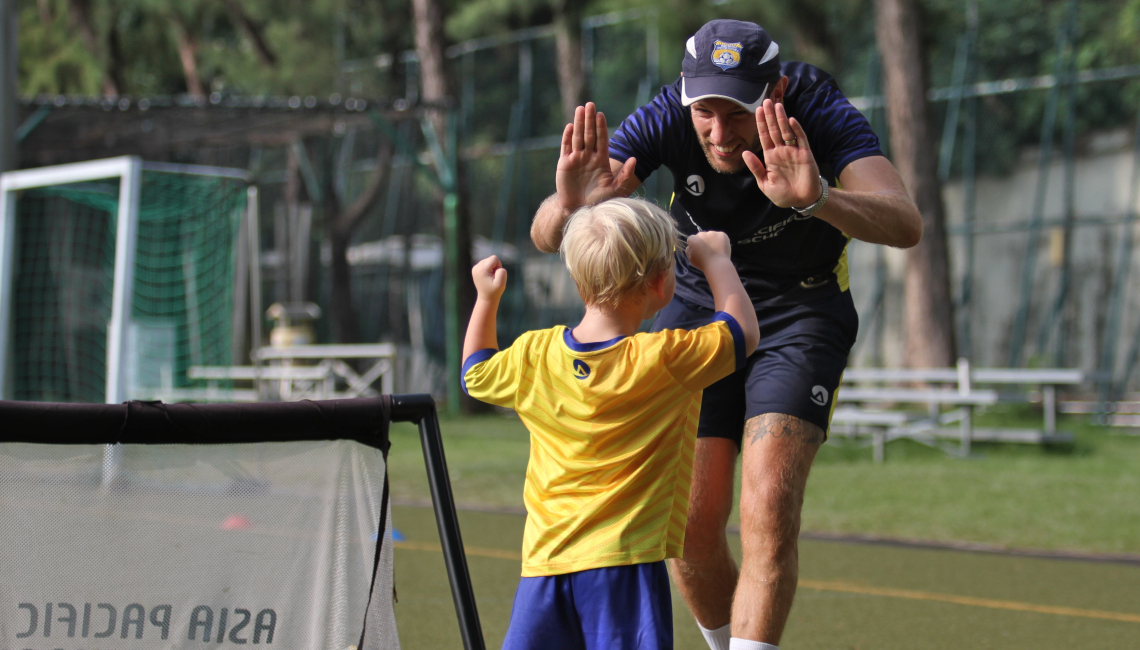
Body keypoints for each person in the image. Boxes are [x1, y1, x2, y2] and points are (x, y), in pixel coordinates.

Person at [530, 19, 923, 650]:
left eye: (736, 112)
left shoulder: (817, 110)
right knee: (687, 526)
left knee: (767, 513)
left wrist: (818, 198)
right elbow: (546, 234)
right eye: (704, 112)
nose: (717, 131)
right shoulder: (665, 117)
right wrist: (568, 204)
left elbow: (905, 223)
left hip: (801, 312)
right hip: (698, 309)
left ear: (776, 91)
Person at [462, 197, 760, 649]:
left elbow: (474, 373)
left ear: (580, 282)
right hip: (625, 564)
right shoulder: (663, 358)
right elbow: (742, 331)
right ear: (661, 283)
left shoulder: (533, 355)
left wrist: (487, 299)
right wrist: (717, 261)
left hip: (544, 563)